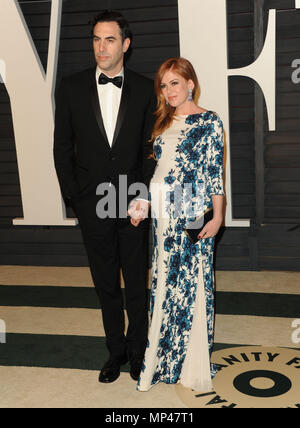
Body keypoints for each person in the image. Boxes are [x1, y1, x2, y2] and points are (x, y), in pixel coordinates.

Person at [53, 10, 156, 384]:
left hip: (132, 202)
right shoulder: (71, 86)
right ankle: (115, 352)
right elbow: (62, 147)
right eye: (96, 39)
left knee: (135, 280)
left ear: (125, 45)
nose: (101, 47)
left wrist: (142, 197)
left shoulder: (147, 89)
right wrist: (75, 199)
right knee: (105, 283)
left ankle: (138, 352)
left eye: (109, 39)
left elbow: (150, 150)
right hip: (92, 202)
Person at [133, 57, 225, 392]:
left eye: (175, 82)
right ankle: (161, 361)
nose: (169, 90)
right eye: (164, 84)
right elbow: (155, 170)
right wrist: (141, 202)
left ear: (190, 83)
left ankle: (191, 361)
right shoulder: (160, 121)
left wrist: (218, 216)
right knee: (162, 286)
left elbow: (214, 174)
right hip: (161, 216)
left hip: (193, 214)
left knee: (192, 285)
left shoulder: (209, 122)